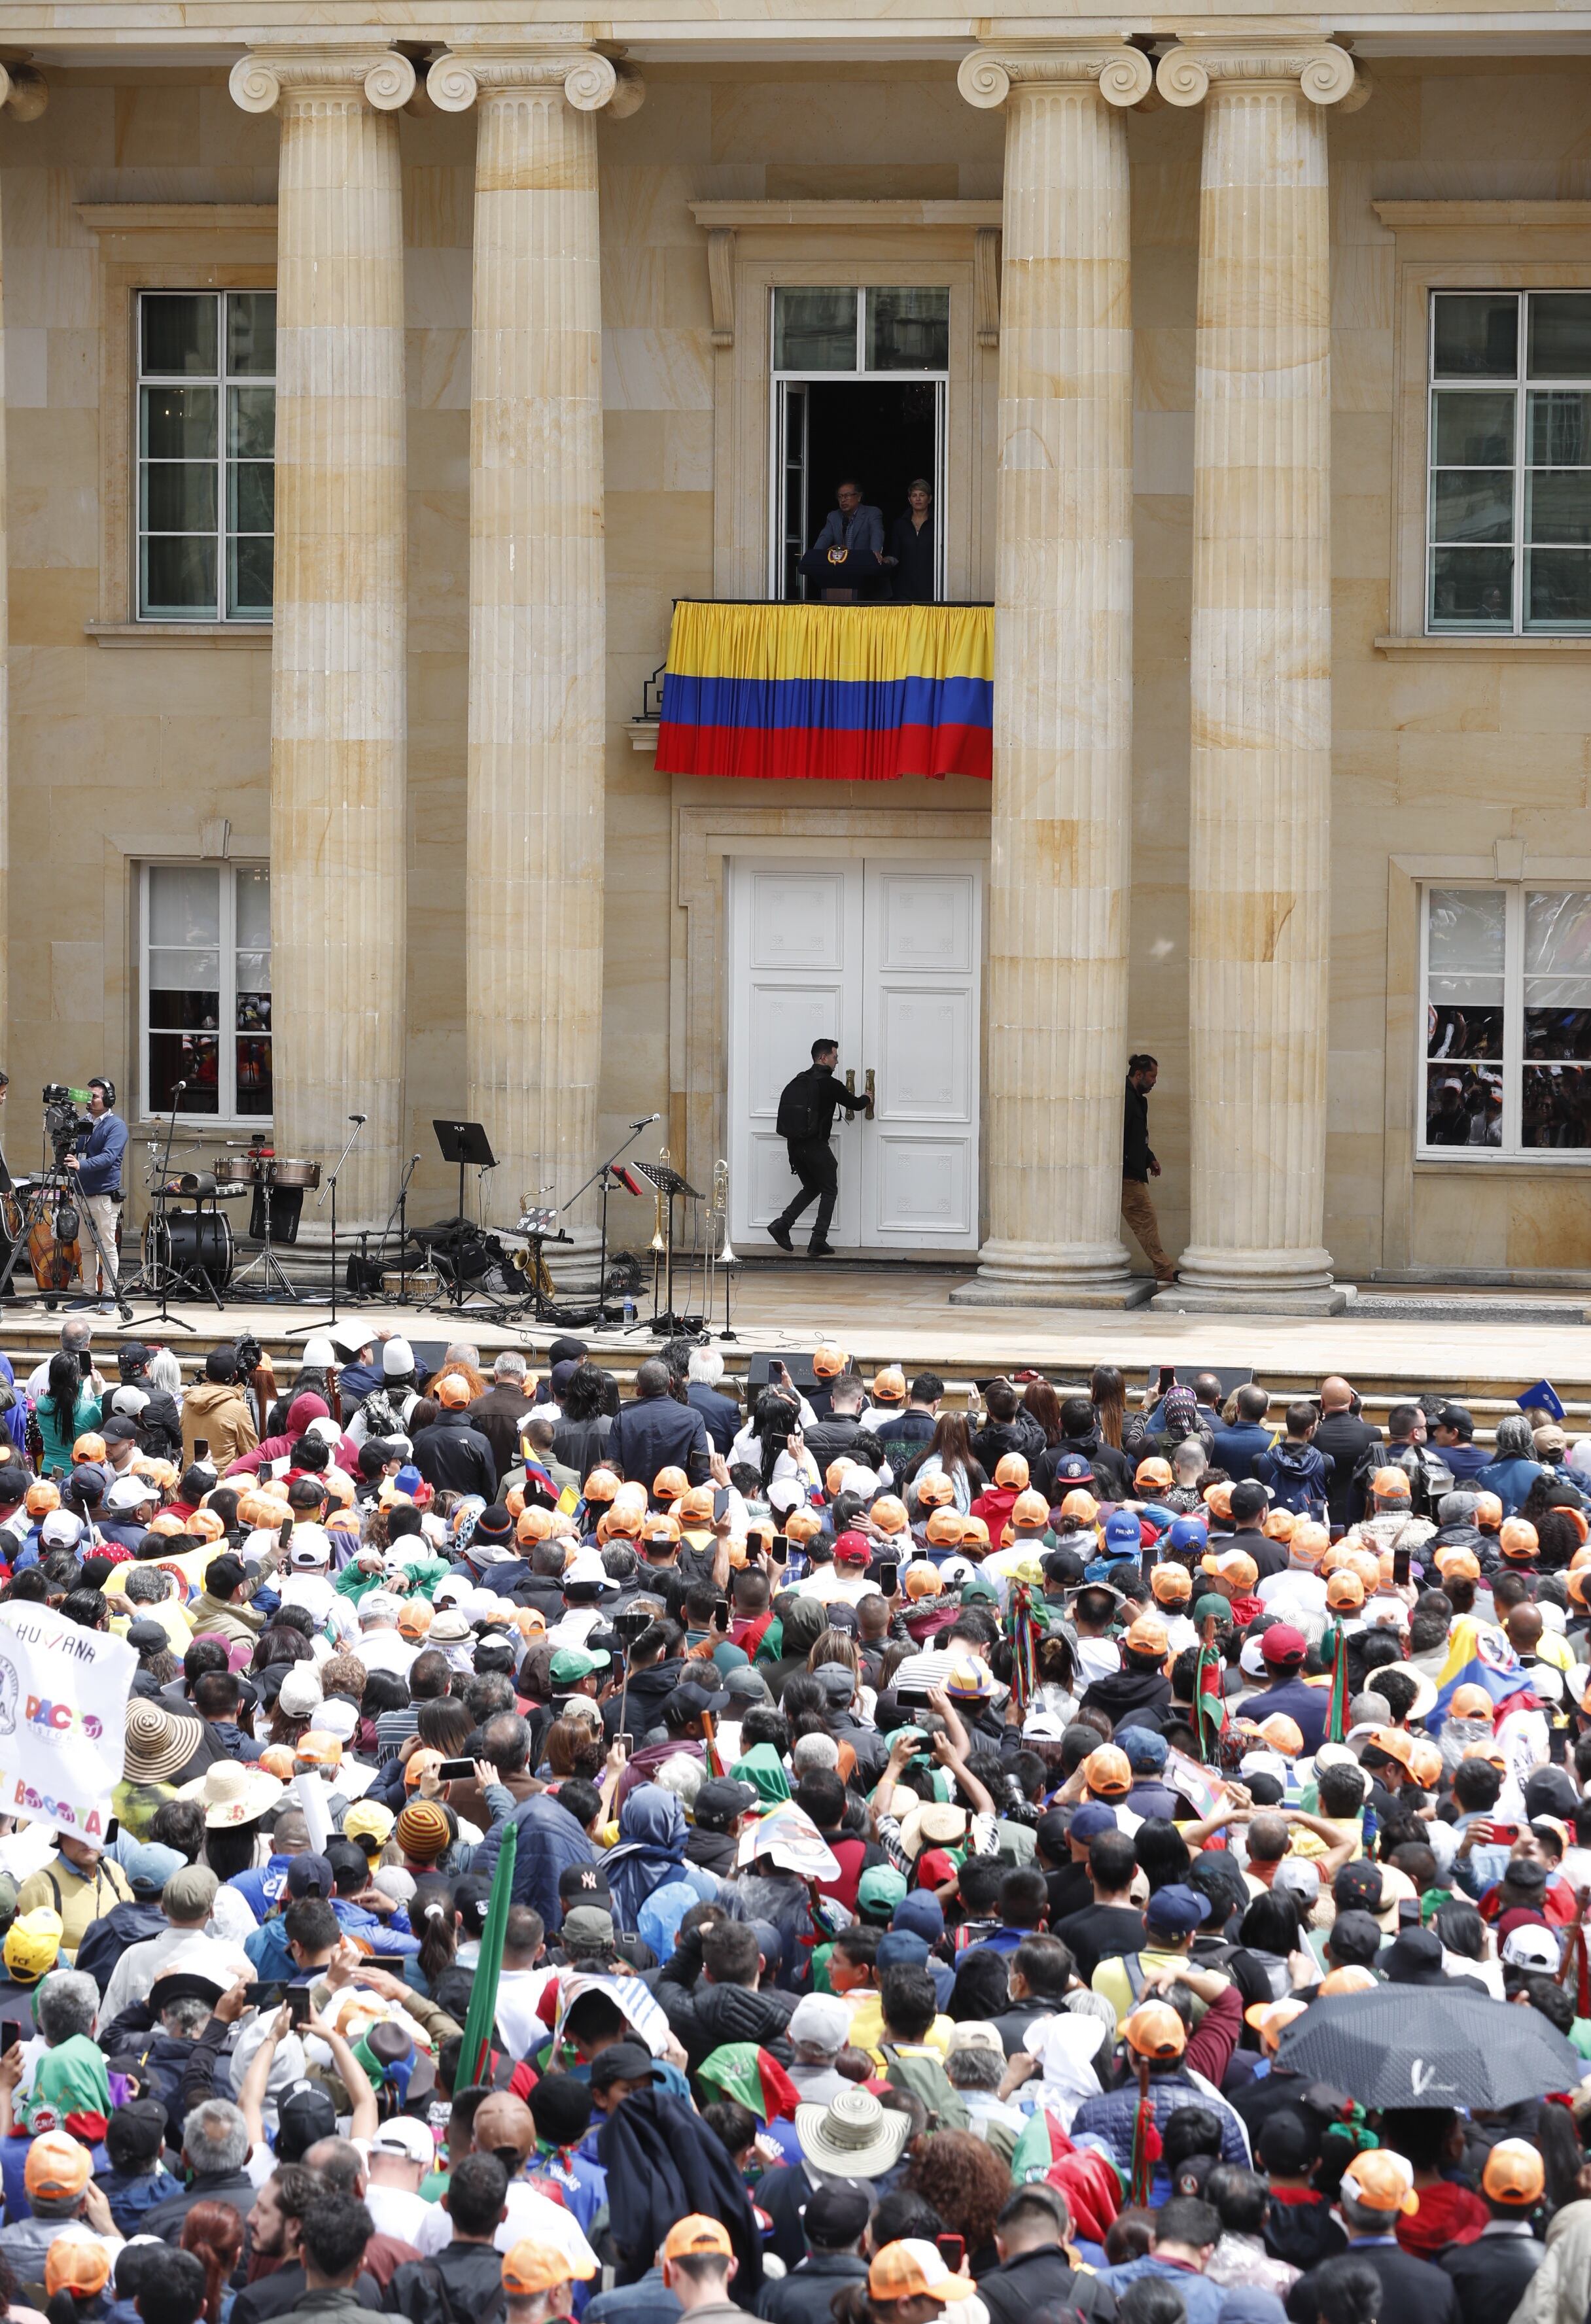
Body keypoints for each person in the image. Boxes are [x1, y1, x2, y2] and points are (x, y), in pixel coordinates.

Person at [768, 1040, 873, 1258]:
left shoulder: (800, 1079)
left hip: (795, 1146)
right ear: (824, 1058)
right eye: (835, 1057)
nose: (837, 1061)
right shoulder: (830, 1084)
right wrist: (868, 1097)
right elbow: (855, 1104)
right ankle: (818, 1240)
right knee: (829, 1190)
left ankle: (782, 1224)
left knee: (812, 1187)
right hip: (815, 1146)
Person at [65, 1077, 127, 1312]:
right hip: (82, 1194)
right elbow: (73, 1151)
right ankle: (88, 1294)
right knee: (87, 1248)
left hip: (104, 1196)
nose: (89, 1100)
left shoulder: (116, 1126)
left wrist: (82, 1165)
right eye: (88, 1095)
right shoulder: (82, 1123)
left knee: (107, 1247)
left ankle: (109, 1295)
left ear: (108, 1100)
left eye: (95, 1096)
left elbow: (109, 1157)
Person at [1122, 1056, 1175, 1288]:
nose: (1154, 1081)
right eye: (1152, 1076)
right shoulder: (1124, 1098)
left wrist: (1149, 1157)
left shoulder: (1140, 1101)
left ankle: (1164, 1270)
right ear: (1139, 1074)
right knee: (1146, 1219)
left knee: (1146, 1220)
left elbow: (1137, 1136)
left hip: (1133, 1170)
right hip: (1126, 1173)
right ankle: (1164, 1270)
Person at [802, 482, 885, 600]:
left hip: (866, 578)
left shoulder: (872, 513)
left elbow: (877, 533)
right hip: (841, 575)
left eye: (847, 496)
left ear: (859, 497)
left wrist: (875, 552)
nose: (843, 500)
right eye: (840, 497)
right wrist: (815, 556)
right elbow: (824, 537)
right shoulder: (833, 517)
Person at [180, 1349, 258, 1471]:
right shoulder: (239, 1409)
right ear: (235, 1375)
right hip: (223, 1480)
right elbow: (251, 1452)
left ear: (206, 1375)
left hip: (190, 1478)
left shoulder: (188, 1402)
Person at [885, 483, 936, 604]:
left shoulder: (938, 523)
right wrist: (886, 561)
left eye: (922, 495)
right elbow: (895, 555)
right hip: (905, 586)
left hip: (931, 585)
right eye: (914, 495)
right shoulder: (900, 524)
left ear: (930, 499)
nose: (918, 499)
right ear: (909, 500)